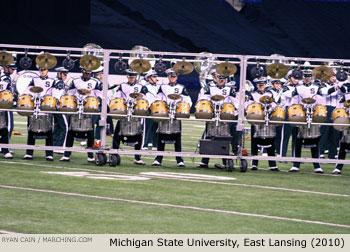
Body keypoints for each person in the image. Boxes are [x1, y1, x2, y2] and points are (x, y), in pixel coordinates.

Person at [59, 67, 102, 162]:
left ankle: (90, 156)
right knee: (71, 131)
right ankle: (67, 154)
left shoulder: (96, 82)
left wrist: (96, 100)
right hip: (77, 108)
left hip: (89, 109)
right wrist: (74, 99)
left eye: (89, 73)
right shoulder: (75, 81)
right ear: (82, 72)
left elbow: (100, 95)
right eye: (86, 73)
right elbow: (70, 94)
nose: (87, 74)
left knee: (90, 132)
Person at [151, 68, 192, 167]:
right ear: (168, 77)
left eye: (174, 76)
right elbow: (158, 98)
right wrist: (162, 104)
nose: (172, 78)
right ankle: (158, 159)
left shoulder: (181, 87)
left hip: (176, 114)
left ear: (176, 78)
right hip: (165, 113)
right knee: (161, 135)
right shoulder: (163, 87)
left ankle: (179, 160)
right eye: (170, 76)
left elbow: (188, 100)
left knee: (177, 136)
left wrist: (181, 105)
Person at [197, 73, 238, 168]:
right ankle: (204, 161)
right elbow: (203, 99)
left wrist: (232, 109)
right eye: (220, 79)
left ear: (226, 80)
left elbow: (235, 102)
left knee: (224, 137)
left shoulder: (229, 89)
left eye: (223, 79)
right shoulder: (209, 88)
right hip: (213, 115)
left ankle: (225, 161)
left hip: (224, 116)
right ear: (216, 79)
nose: (221, 81)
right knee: (209, 136)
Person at [289, 69, 325, 173]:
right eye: (305, 77)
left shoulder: (317, 87)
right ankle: (296, 164)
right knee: (298, 140)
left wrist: (315, 108)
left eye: (309, 77)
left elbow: (321, 101)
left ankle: (317, 165)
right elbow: (294, 102)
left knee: (315, 139)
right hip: (302, 114)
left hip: (313, 114)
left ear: (312, 77)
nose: (307, 79)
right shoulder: (298, 88)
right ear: (302, 77)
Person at [110, 69, 148, 165]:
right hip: (125, 112)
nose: (131, 79)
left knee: (139, 134)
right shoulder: (122, 86)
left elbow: (146, 98)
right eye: (130, 77)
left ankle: (137, 157)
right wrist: (123, 102)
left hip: (136, 113)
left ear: (135, 77)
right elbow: (116, 96)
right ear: (127, 77)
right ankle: (113, 153)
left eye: (133, 77)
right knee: (117, 133)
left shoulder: (141, 86)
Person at [22, 66, 56, 161]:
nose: (42, 71)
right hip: (35, 107)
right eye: (41, 70)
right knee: (31, 129)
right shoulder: (34, 80)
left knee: (48, 130)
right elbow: (27, 91)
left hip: (46, 107)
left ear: (47, 70)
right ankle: (29, 153)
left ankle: (49, 154)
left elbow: (55, 93)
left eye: (44, 70)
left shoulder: (52, 80)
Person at [246, 77, 279, 171]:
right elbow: (247, 105)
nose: (261, 86)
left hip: (268, 119)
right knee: (254, 142)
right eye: (259, 84)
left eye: (263, 84)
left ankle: (272, 164)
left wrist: (270, 108)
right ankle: (254, 164)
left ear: (266, 84)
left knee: (271, 140)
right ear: (256, 85)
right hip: (256, 119)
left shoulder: (270, 93)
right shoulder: (252, 94)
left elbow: (275, 104)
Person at [319, 69, 343, 159]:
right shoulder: (323, 85)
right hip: (326, 109)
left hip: (336, 110)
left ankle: (332, 154)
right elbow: (327, 92)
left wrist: (341, 83)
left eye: (334, 76)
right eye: (332, 76)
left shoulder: (337, 85)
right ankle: (320, 151)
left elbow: (344, 91)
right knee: (324, 132)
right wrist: (337, 85)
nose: (334, 78)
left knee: (335, 133)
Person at [279, 70, 300, 160]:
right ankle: (282, 156)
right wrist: (300, 88)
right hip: (289, 111)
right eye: (294, 77)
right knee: (286, 136)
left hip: (299, 112)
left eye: (297, 77)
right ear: (289, 78)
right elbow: (291, 94)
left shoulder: (300, 87)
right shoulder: (285, 87)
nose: (296, 79)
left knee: (297, 136)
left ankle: (295, 157)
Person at [266, 78, 286, 156]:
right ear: (273, 84)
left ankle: (278, 150)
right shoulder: (269, 91)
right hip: (270, 112)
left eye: (279, 84)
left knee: (279, 132)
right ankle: (265, 150)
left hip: (279, 112)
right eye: (276, 84)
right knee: (269, 132)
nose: (278, 85)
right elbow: (276, 100)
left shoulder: (280, 91)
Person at [52, 67, 69, 153]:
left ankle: (54, 145)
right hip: (58, 107)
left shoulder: (54, 80)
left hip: (53, 107)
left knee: (57, 127)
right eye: (64, 74)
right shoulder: (59, 82)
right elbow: (58, 94)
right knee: (65, 127)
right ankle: (61, 147)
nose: (65, 76)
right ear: (59, 74)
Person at [142, 71, 160, 150]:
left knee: (157, 128)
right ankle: (145, 144)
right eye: (154, 77)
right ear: (149, 79)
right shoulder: (145, 87)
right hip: (150, 108)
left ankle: (155, 144)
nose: (156, 78)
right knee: (148, 128)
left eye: (156, 77)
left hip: (158, 109)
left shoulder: (159, 86)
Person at [0, 73, 14, 159]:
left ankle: (5, 150)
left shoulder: (5, 83)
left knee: (3, 128)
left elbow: (11, 94)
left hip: (1, 108)